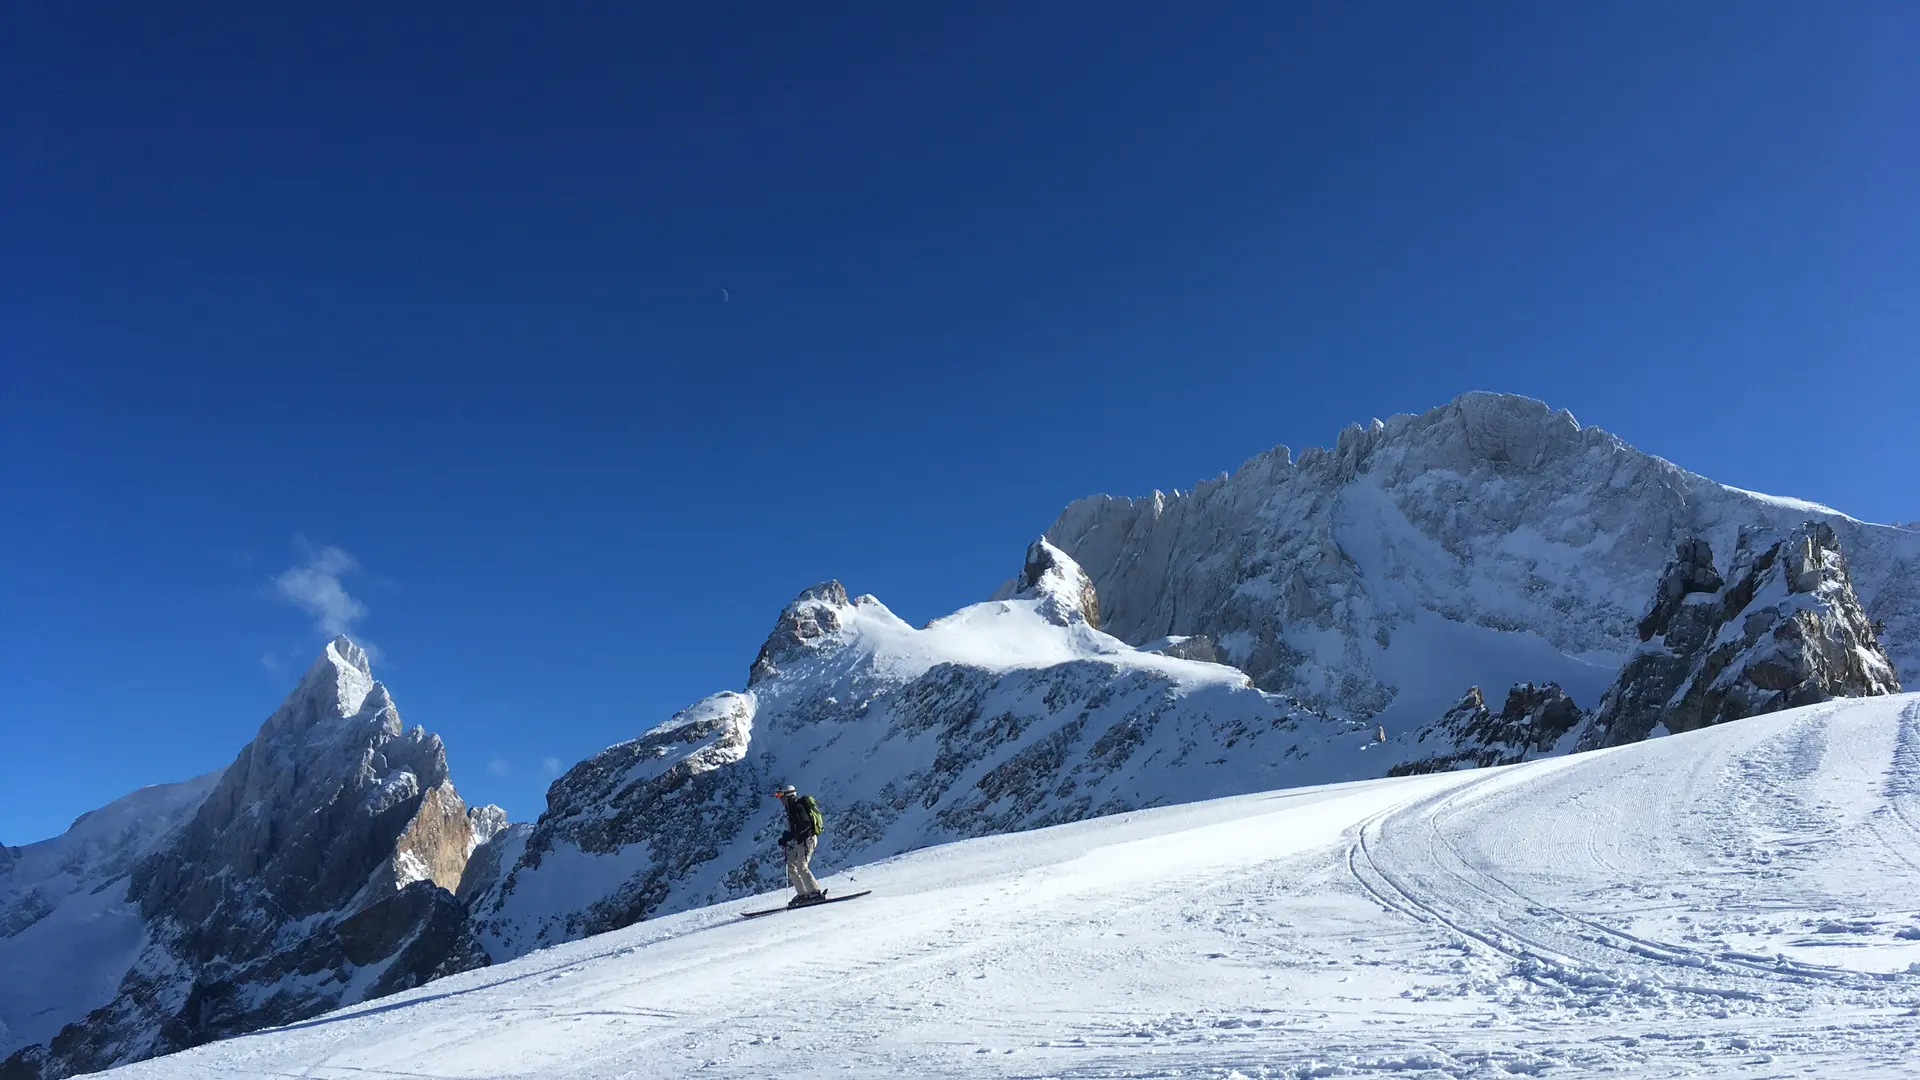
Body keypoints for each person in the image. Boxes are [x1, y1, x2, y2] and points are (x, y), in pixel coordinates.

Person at [773, 783, 826, 907]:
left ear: (789, 796)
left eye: (782, 797)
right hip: (801, 841)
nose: (781, 800)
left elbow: (805, 825)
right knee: (791, 865)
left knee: (801, 866)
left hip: (807, 840)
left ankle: (815, 893)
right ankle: (803, 894)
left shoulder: (798, 807)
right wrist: (788, 837)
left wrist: (790, 836)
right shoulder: (792, 808)